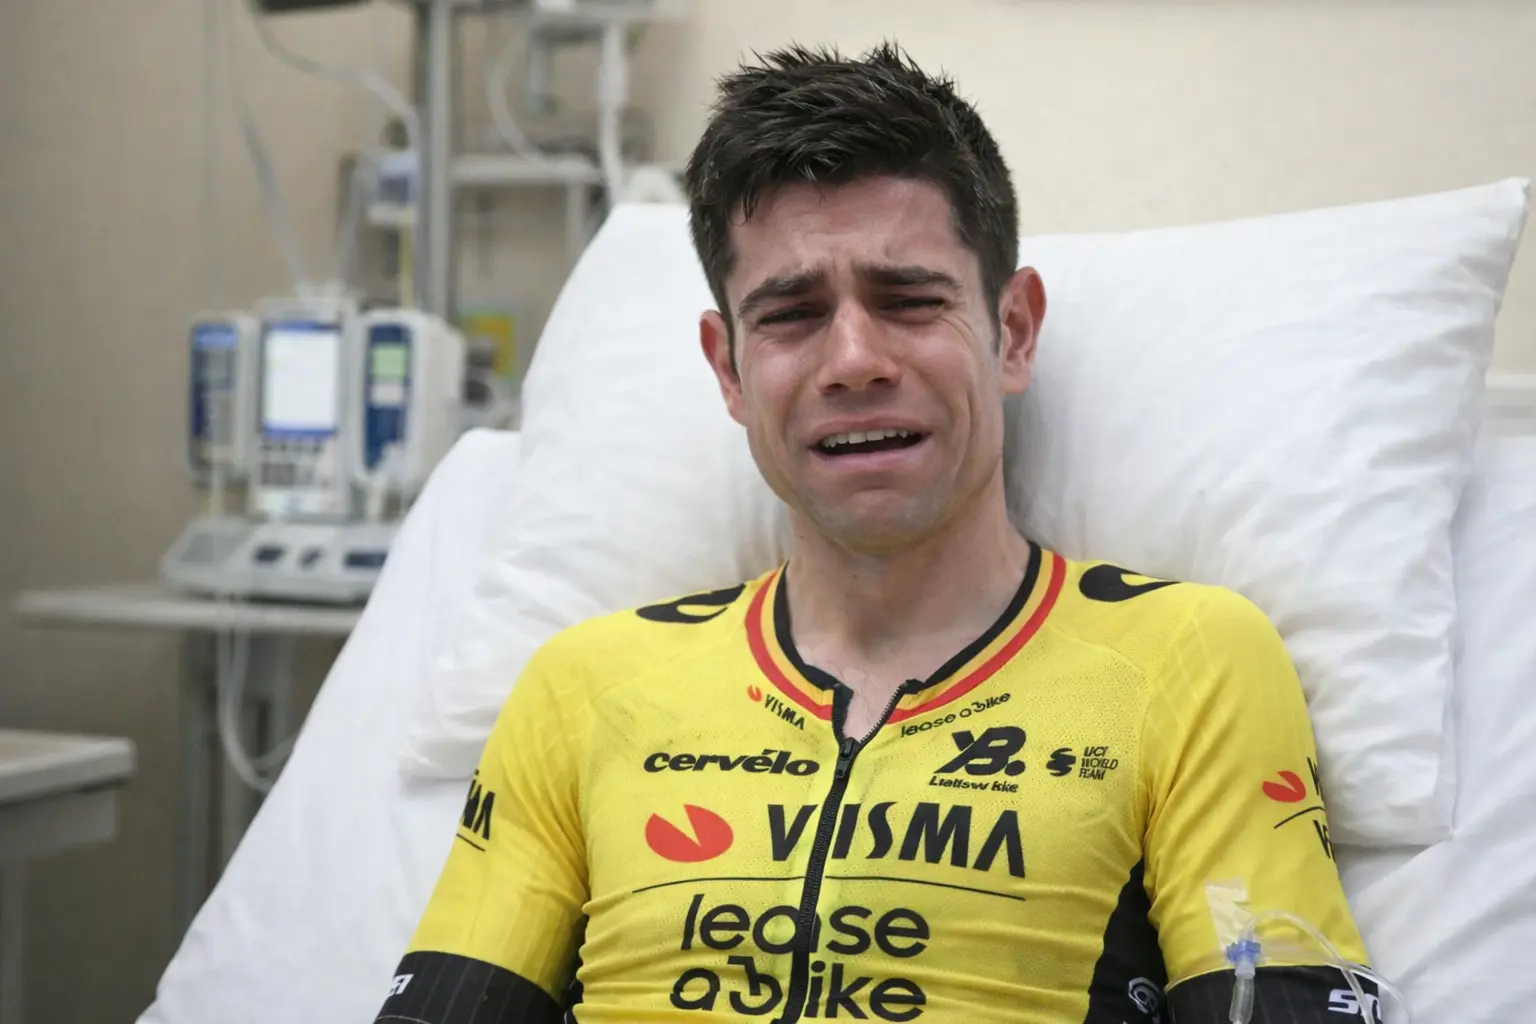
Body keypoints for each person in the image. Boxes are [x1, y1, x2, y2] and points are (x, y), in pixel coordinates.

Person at [374, 42, 1373, 1024]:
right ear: (728, 369)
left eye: (909, 301)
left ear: (1014, 331)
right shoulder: (585, 688)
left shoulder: (1188, 662)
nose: (855, 360)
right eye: (791, 314)